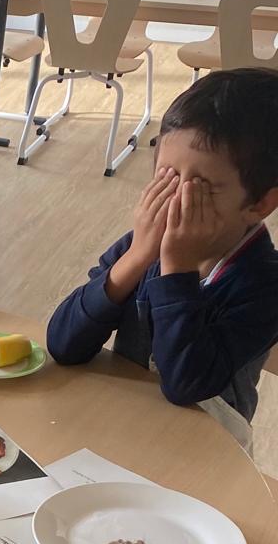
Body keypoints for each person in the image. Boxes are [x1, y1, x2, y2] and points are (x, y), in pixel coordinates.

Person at [47, 69, 278, 447]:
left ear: (261, 203)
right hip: (123, 426)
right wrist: (137, 257)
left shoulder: (264, 283)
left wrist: (176, 269)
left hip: (209, 453)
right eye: (166, 178)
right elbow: (62, 344)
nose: (178, 200)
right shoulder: (140, 247)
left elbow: (187, 385)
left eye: (202, 189)